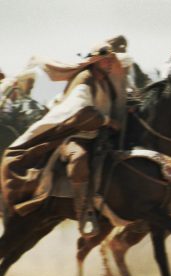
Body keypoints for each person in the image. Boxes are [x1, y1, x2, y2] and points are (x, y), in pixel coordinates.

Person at [1, 40, 127, 238]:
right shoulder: (85, 80)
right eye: (105, 60)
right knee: (78, 159)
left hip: (99, 134)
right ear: (95, 62)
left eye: (111, 60)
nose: (110, 64)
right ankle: (83, 211)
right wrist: (106, 120)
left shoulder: (106, 81)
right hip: (74, 135)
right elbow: (79, 111)